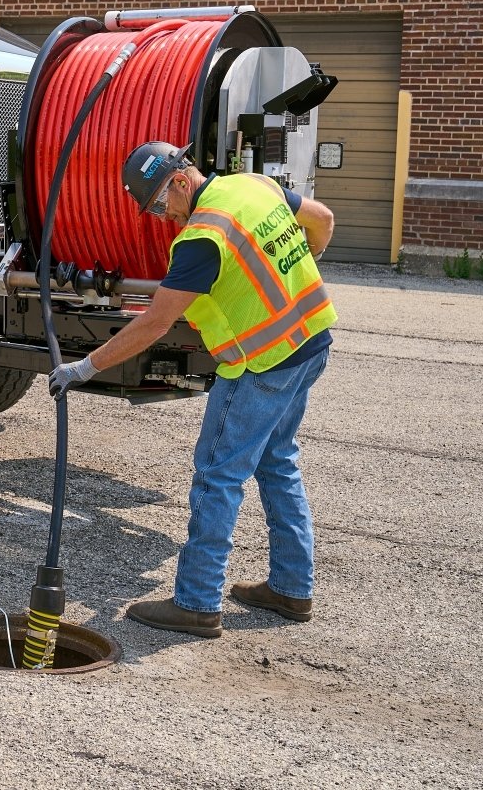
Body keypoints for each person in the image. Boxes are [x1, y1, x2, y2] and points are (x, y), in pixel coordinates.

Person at [48, 141, 337, 638]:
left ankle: (197, 601)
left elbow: (155, 324)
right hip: (312, 340)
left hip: (261, 363)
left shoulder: (204, 237)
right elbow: (324, 219)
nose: (161, 216)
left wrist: (84, 368)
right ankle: (292, 588)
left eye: (161, 203)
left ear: (181, 180)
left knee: (217, 477)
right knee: (277, 461)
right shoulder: (253, 186)